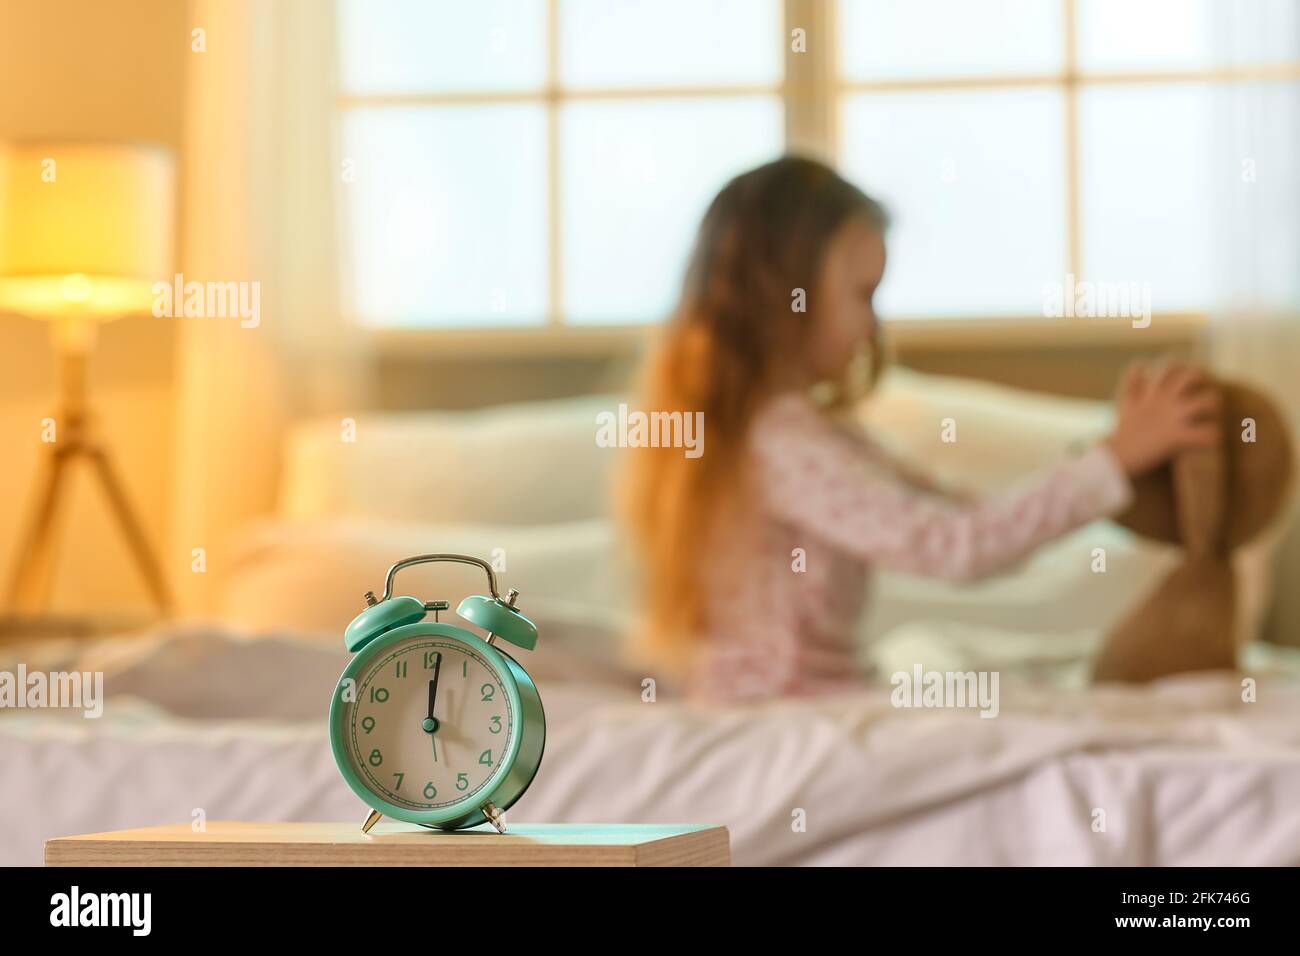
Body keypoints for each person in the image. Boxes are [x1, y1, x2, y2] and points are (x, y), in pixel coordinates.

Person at [619, 156, 1221, 702]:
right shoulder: (780, 443)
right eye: (864, 295)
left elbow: (968, 519)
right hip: (790, 709)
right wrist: (1111, 463)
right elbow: (958, 547)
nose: (873, 326)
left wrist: (1108, 461)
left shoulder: (786, 431)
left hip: (804, 697)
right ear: (783, 297)